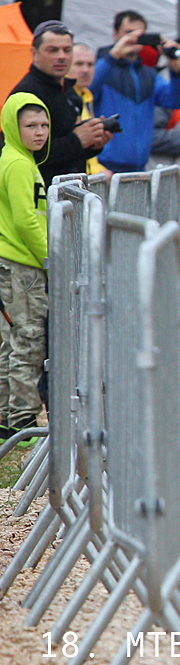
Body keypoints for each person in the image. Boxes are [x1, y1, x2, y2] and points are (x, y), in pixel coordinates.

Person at [0, 94, 50, 441]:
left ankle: (7, 417)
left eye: (44, 125)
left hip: (17, 262)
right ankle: (23, 420)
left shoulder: (16, 159)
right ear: (12, 127)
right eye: (30, 126)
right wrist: (51, 257)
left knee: (11, 342)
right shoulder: (18, 164)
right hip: (24, 265)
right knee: (28, 341)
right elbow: (25, 220)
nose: (39, 132)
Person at [9, 21, 110, 183]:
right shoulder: (28, 93)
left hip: (71, 192)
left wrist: (93, 143)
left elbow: (69, 147)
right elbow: (27, 153)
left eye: (67, 50)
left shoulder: (69, 89)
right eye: (53, 50)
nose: (61, 56)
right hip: (40, 195)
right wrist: (77, 140)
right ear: (35, 53)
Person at [90, 10, 180, 173]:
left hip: (139, 167)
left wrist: (177, 71)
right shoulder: (103, 68)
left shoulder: (148, 74)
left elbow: (177, 100)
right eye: (128, 33)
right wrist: (113, 55)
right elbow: (88, 89)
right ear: (115, 35)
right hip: (104, 168)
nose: (134, 39)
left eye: (140, 35)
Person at [65, 43, 108, 176]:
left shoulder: (86, 96)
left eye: (90, 64)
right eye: (79, 64)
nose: (85, 70)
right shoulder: (64, 97)